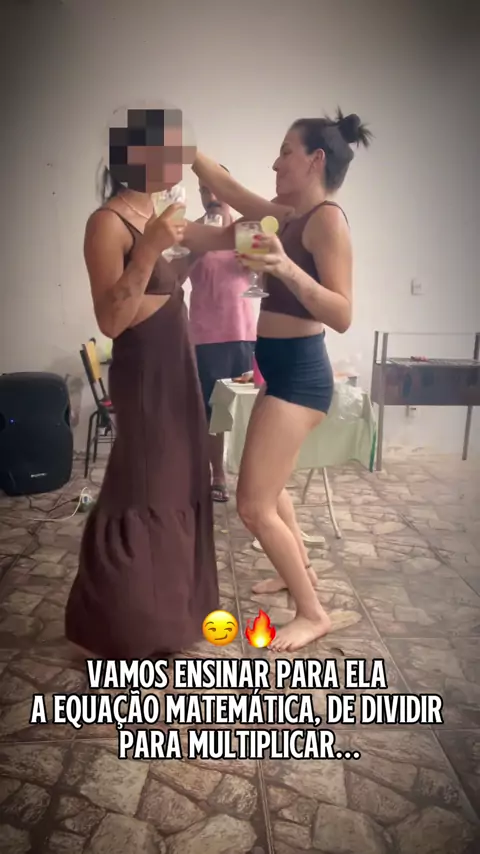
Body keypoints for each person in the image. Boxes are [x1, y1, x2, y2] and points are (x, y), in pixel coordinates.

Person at [189, 109, 372, 652]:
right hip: (276, 367)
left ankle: (313, 613)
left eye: (286, 152)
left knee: (253, 505)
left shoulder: (326, 220)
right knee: (270, 490)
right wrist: (178, 145)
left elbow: (342, 314)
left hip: (302, 376)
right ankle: (301, 574)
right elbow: (228, 189)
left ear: (315, 159)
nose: (275, 163)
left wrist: (285, 267)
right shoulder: (287, 215)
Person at [65, 107, 232, 658]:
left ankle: (169, 613)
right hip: (144, 374)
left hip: (176, 364)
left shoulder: (162, 211)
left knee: (177, 482)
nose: (181, 158)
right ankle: (127, 623)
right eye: (173, 149)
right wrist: (151, 247)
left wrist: (243, 208)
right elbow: (112, 319)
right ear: (140, 155)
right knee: (146, 486)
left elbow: (229, 237)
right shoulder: (107, 223)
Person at [189, 166, 256, 502]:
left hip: (245, 333)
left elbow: (263, 278)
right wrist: (199, 245)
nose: (211, 196)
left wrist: (255, 260)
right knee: (214, 411)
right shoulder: (191, 231)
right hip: (206, 337)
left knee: (248, 411)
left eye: (215, 188)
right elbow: (175, 276)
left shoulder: (247, 228)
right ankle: (218, 474)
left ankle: (252, 476)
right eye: (204, 190)